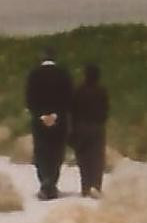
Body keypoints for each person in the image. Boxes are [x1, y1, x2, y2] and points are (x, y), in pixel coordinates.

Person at [24, 53, 72, 198]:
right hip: (59, 120)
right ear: (55, 58)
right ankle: (52, 181)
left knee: (41, 151)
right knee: (56, 151)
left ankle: (45, 181)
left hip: (40, 120)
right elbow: (69, 98)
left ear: (42, 58)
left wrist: (42, 115)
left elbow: (29, 98)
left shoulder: (34, 75)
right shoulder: (64, 74)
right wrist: (55, 115)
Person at [70, 63, 109, 197]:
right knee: (97, 158)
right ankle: (96, 185)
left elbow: (73, 111)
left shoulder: (78, 91)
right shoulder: (102, 91)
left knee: (84, 158)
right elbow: (105, 111)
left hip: (81, 127)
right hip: (97, 127)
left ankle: (85, 185)